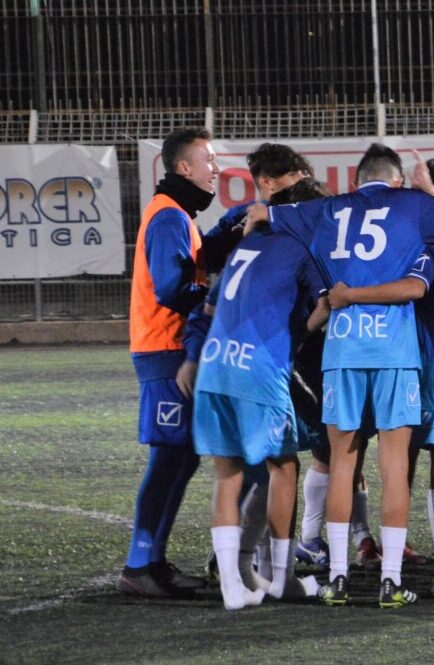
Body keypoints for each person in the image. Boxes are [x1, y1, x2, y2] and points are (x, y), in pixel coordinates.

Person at [243, 143, 434, 608]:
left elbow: (265, 215)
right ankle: (391, 579)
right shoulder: (415, 206)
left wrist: (256, 224)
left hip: (343, 349)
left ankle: (336, 576)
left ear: (356, 181)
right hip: (395, 352)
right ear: (396, 181)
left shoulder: (329, 208)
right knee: (394, 464)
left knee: (342, 462)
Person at [193, 177, 329, 609]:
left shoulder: (247, 246)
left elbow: (211, 306)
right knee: (283, 466)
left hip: (216, 364)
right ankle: (283, 577)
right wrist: (296, 334)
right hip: (258, 366)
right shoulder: (302, 249)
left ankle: (234, 580)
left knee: (229, 473)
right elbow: (327, 305)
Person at [119, 127, 241, 598]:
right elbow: (173, 287)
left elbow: (191, 262)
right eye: (207, 159)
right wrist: (222, 298)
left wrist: (228, 228)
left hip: (167, 349)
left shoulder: (177, 214)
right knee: (170, 456)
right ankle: (139, 564)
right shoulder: (169, 216)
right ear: (182, 168)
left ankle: (152, 560)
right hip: (164, 350)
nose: (216, 167)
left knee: (182, 455)